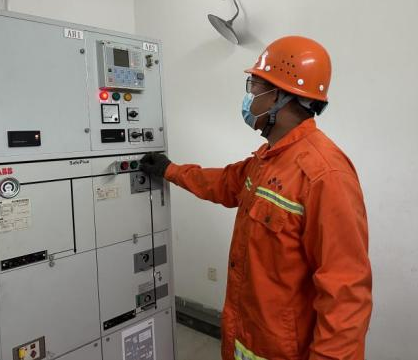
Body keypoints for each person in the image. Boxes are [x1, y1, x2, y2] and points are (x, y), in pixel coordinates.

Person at [141, 36, 372, 360]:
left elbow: (345, 294)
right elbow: (225, 183)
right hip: (247, 338)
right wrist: (170, 170)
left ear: (278, 96)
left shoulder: (325, 175)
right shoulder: (270, 158)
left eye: (254, 87)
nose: (249, 97)